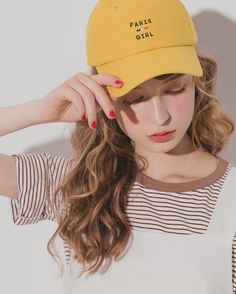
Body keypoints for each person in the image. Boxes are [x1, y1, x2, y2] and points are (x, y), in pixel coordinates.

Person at [0, 0, 235, 293]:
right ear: (105, 98)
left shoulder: (232, 203)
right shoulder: (80, 186)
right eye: (134, 99)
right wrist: (42, 111)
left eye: (174, 89)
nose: (160, 117)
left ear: (197, 80)